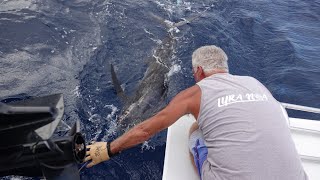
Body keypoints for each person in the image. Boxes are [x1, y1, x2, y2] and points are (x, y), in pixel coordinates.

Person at [85, 45, 308, 180]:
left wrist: (107, 149)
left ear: (199, 70)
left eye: (194, 72)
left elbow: (144, 131)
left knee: (193, 128)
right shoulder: (255, 83)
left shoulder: (193, 94)